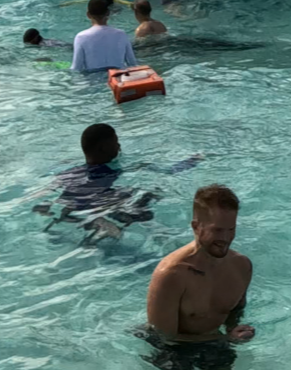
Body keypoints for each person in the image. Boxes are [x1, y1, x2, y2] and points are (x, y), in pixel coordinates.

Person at [144, 185, 254, 353]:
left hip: (216, 344)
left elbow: (236, 312)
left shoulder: (242, 267)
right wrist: (224, 339)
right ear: (196, 226)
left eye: (231, 229)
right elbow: (162, 338)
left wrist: (236, 329)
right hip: (174, 353)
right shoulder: (171, 274)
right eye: (217, 230)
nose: (225, 239)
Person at [35, 124, 159, 242]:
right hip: (96, 206)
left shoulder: (69, 173)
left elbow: (48, 191)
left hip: (70, 207)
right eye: (116, 142)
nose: (119, 145)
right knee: (148, 197)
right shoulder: (111, 171)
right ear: (104, 148)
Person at [71, 0, 137, 73]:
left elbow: (76, 68)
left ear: (88, 15)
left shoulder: (81, 37)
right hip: (118, 78)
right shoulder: (121, 34)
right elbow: (132, 64)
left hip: (93, 80)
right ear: (108, 13)